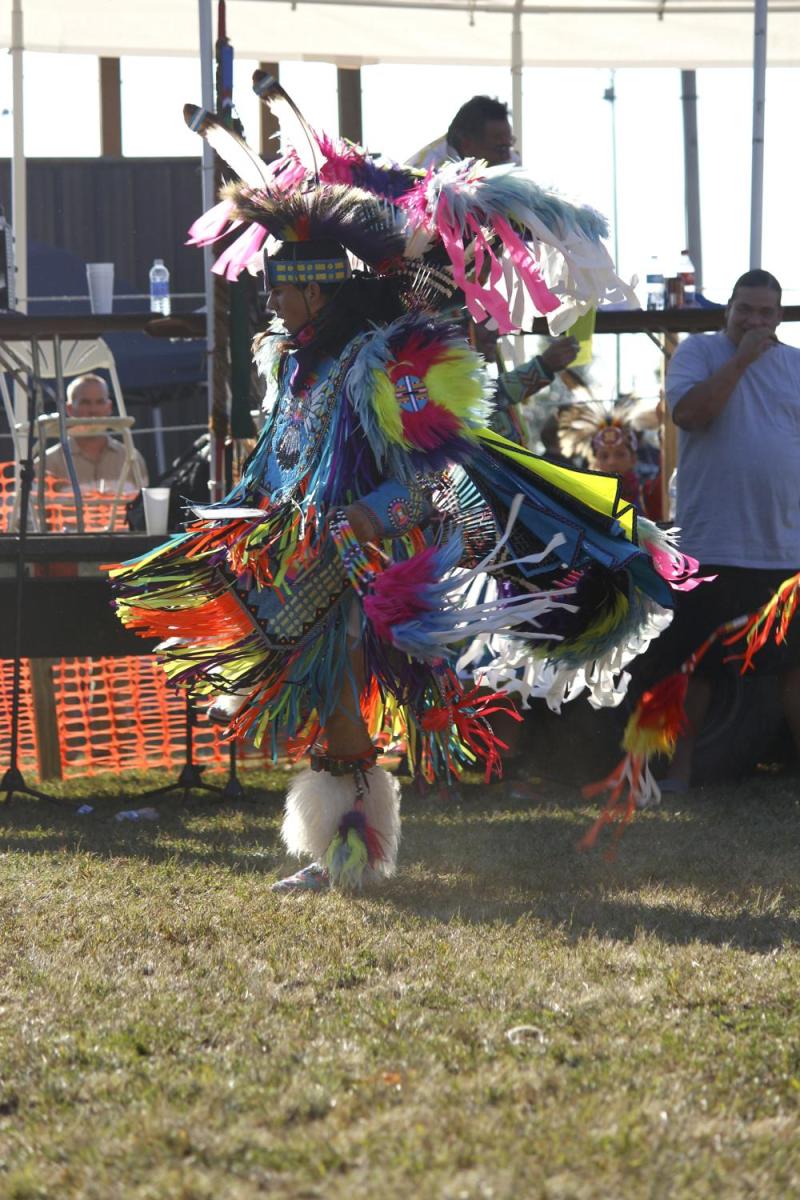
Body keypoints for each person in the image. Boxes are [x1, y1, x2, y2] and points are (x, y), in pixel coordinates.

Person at [108, 80, 681, 893]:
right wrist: (249, 517)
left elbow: (434, 479)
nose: (271, 300)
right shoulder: (295, 364)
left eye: (283, 288)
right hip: (304, 553)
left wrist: (366, 520)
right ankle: (340, 852)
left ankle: (351, 857)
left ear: (317, 288)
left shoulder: (382, 367)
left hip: (371, 563)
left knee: (342, 700)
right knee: (325, 702)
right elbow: (283, 458)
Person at [641, 268, 800, 789]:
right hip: (712, 543)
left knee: (792, 666)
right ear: (728, 309)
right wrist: (742, 359)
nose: (755, 320)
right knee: (697, 666)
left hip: (783, 545)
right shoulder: (699, 353)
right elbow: (690, 415)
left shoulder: (795, 365)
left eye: (766, 312)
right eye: (745, 309)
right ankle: (681, 773)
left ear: (779, 316)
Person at [43, 373, 148, 492]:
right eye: (85, 402)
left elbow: (144, 502)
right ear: (70, 409)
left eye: (100, 402)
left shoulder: (133, 458)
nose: (93, 410)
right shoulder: (48, 463)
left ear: (109, 407)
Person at [411, 96, 515, 171]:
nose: (508, 157)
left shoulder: (507, 158)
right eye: (500, 148)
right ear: (467, 144)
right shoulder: (426, 173)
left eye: (508, 146)